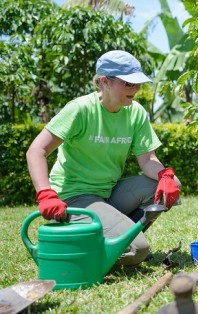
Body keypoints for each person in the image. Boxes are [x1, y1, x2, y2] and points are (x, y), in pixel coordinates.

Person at [26, 50, 181, 266]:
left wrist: (165, 175)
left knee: (169, 184)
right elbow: (36, 150)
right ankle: (92, 243)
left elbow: (147, 160)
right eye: (128, 83)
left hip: (108, 193)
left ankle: (114, 237)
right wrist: (46, 194)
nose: (135, 89)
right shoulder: (80, 110)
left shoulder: (135, 112)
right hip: (75, 196)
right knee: (139, 250)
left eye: (137, 83)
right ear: (105, 82)